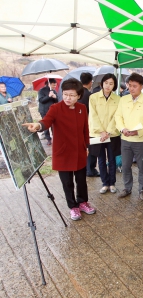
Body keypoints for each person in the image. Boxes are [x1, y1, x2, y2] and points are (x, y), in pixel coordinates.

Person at [22, 79, 95, 221]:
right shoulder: (56, 108)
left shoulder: (82, 108)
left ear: (79, 96)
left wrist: (86, 146)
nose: (68, 98)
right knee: (67, 182)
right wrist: (38, 126)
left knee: (81, 180)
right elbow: (46, 121)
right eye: (66, 94)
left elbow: (85, 129)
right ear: (62, 94)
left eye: (72, 95)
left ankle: (82, 202)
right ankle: (73, 207)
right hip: (63, 152)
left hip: (79, 151)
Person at [115, 72, 143, 201]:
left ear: (141, 87)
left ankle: (142, 190)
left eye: (134, 86)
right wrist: (122, 128)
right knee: (125, 166)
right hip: (125, 139)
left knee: (142, 167)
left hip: (140, 140)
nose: (131, 88)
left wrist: (138, 132)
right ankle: (127, 188)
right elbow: (118, 116)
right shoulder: (123, 99)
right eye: (129, 85)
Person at [89, 73, 121, 194]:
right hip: (98, 134)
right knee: (101, 159)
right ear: (102, 83)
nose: (108, 86)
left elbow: (116, 116)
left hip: (112, 134)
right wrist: (101, 131)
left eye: (111, 83)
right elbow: (93, 115)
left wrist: (108, 131)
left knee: (112, 159)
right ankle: (104, 183)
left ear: (114, 86)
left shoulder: (118, 99)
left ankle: (112, 183)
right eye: (106, 83)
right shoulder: (93, 97)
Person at [79, 72, 99, 178]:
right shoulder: (89, 95)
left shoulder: (77, 93)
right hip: (88, 125)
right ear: (90, 82)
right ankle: (90, 169)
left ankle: (85, 168)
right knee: (91, 148)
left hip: (78, 125)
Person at [38, 78, 58, 145]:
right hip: (44, 111)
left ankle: (54, 138)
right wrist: (49, 96)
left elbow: (57, 101)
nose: (54, 87)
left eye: (55, 85)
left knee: (53, 125)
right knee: (46, 125)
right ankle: (48, 139)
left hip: (52, 111)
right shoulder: (41, 91)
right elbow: (41, 100)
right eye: (53, 85)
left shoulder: (53, 91)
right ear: (49, 84)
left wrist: (55, 97)